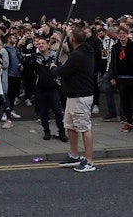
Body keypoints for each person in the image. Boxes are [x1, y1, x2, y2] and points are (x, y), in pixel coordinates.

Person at [52, 25, 97, 172]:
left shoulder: (78, 55)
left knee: (84, 127)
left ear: (71, 40)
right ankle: (74, 155)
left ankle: (89, 161)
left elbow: (64, 70)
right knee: (70, 125)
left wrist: (53, 68)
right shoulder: (84, 50)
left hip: (81, 96)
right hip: (73, 95)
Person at [26, 35, 65, 142]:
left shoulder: (54, 56)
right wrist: (25, 47)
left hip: (53, 88)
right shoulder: (35, 57)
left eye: (43, 43)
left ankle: (62, 132)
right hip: (40, 88)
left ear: (48, 45)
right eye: (39, 44)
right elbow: (23, 59)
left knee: (58, 111)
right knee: (43, 111)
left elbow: (60, 69)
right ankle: (46, 131)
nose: (41, 45)